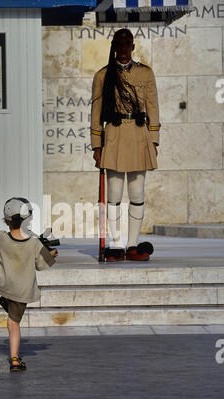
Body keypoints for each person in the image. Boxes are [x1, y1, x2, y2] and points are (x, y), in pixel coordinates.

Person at [91, 28, 160, 261]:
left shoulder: (145, 74)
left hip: (140, 134)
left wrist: (154, 140)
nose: (123, 49)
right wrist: (96, 146)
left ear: (133, 46)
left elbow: (153, 108)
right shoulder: (103, 76)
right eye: (119, 45)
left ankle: (132, 244)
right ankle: (116, 244)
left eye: (127, 44)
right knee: (114, 194)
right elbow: (96, 114)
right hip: (115, 135)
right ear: (114, 47)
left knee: (137, 193)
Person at [0, 196, 58, 372]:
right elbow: (42, 265)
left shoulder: (0, 238)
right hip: (21, 291)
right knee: (13, 324)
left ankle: (6, 301)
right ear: (27, 220)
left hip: (5, 285)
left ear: (7, 220)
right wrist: (53, 254)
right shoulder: (34, 243)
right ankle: (15, 360)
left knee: (11, 312)